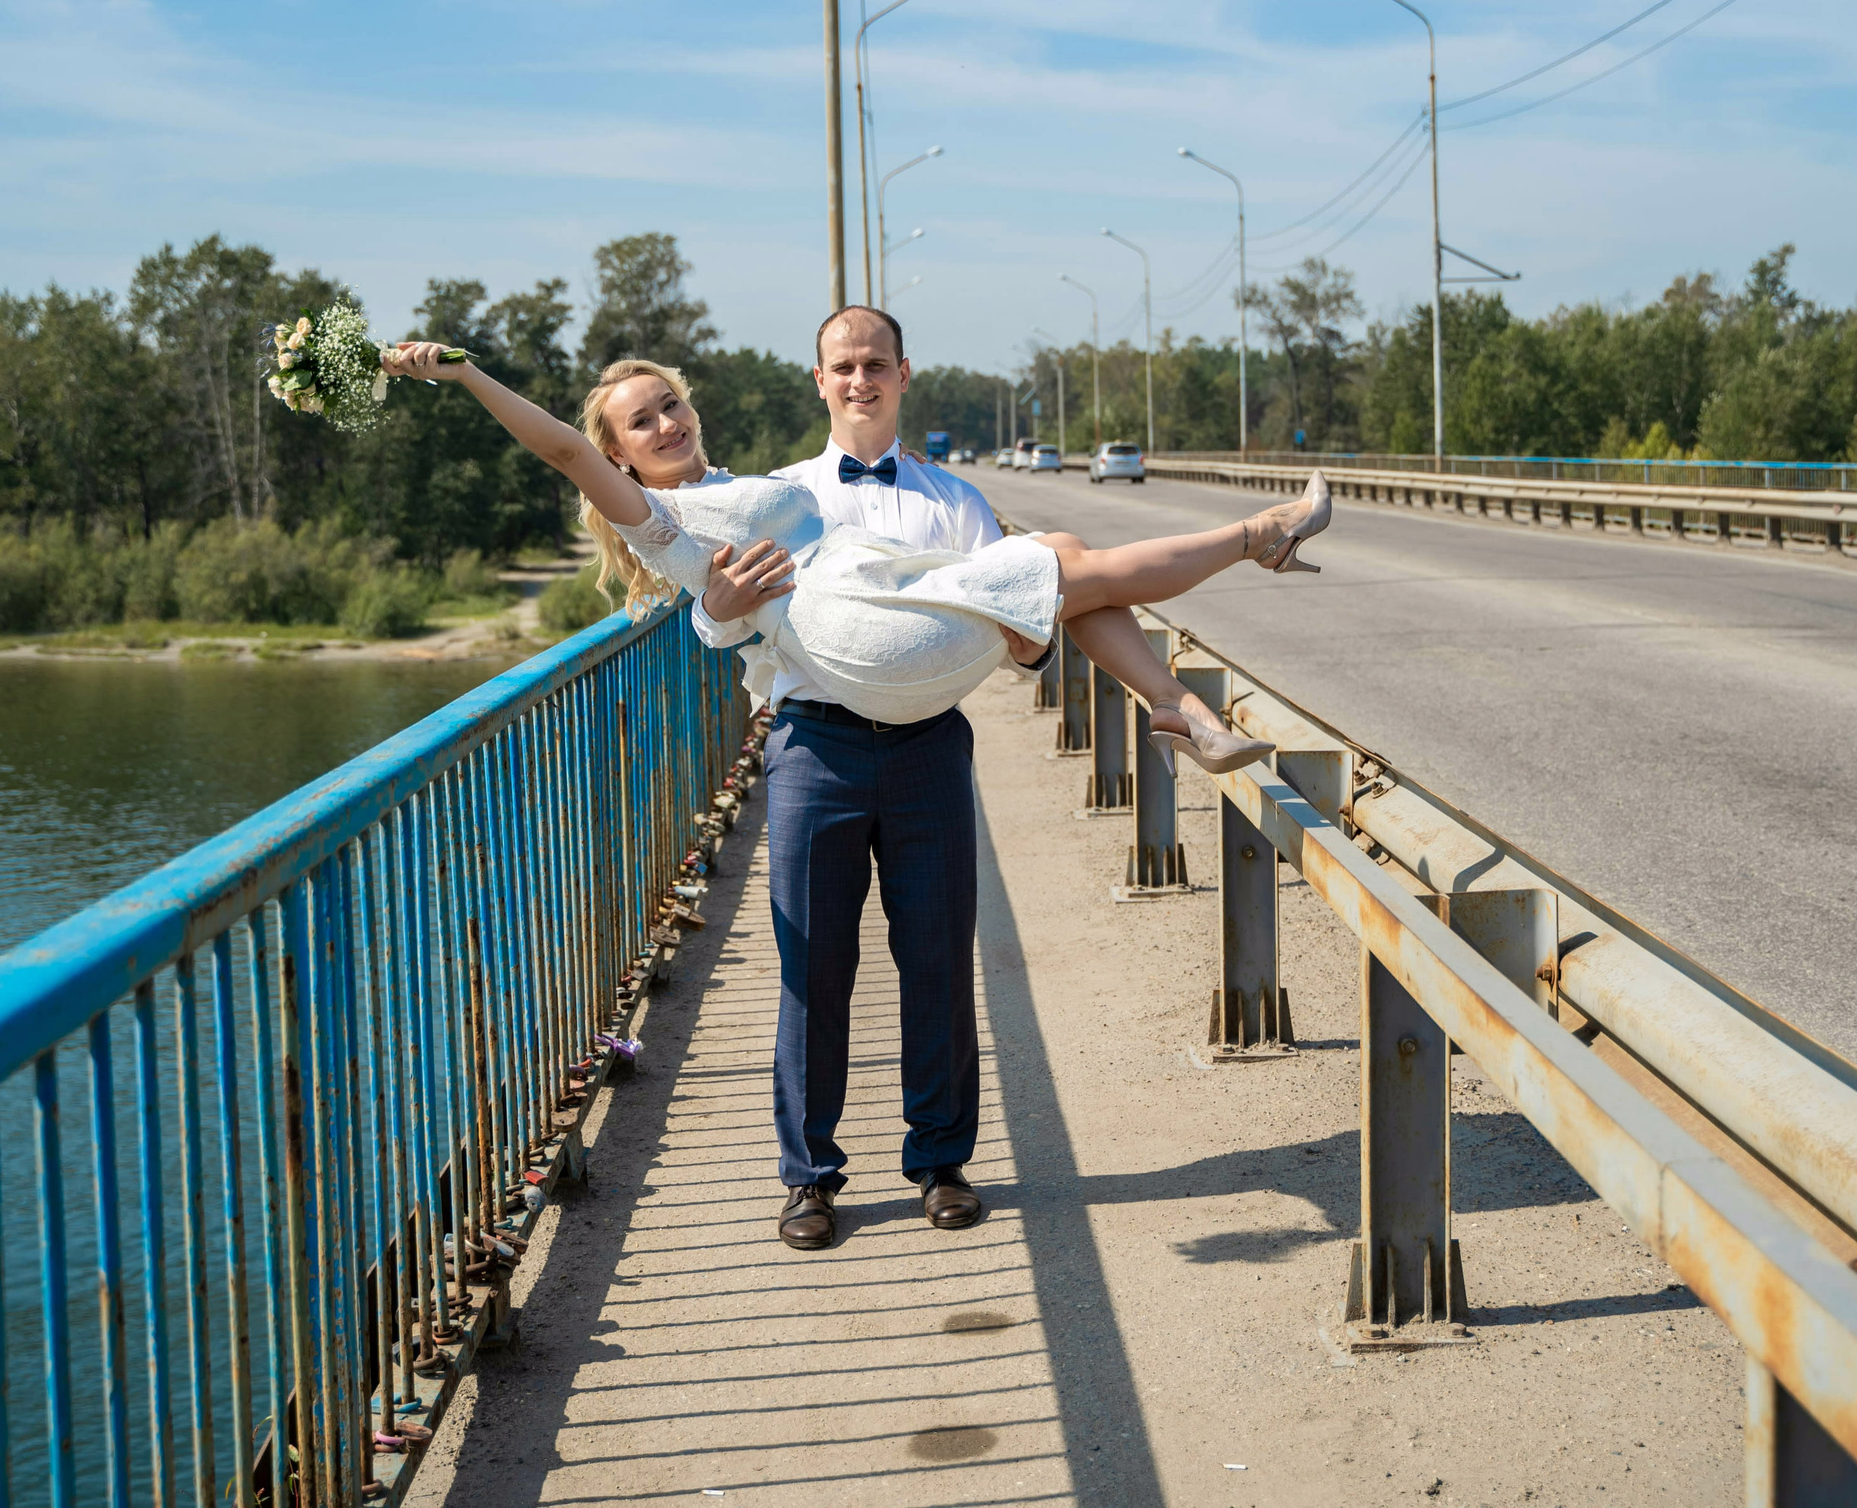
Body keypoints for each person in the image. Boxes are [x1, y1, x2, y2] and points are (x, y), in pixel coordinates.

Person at [378, 312, 1328, 1247]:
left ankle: (942, 1163)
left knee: (941, 952)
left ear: (902, 373)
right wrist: (464, 375)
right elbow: (591, 480)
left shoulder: (878, 493)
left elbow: (1015, 642)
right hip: (818, 743)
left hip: (925, 728)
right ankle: (810, 1180)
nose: (665, 423)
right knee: (813, 971)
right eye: (642, 421)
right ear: (618, 454)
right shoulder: (710, 503)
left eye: (670, 405)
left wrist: (1006, 640)